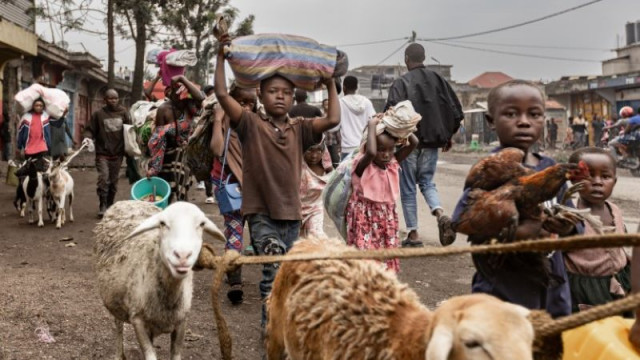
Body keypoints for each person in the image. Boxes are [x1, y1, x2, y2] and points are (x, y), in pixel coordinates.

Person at [214, 33, 340, 327]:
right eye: (273, 91)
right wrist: (221, 57)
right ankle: (270, 339)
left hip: (292, 216)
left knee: (286, 278)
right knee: (271, 273)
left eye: (286, 91)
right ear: (260, 95)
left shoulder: (301, 128)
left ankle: (281, 331)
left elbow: (333, 119)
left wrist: (331, 82)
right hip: (261, 214)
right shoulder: (249, 123)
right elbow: (222, 94)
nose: (280, 96)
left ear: (293, 95)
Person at [451, 80, 579, 318]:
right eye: (511, 114)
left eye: (534, 114)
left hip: (552, 290)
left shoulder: (552, 168)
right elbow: (460, 220)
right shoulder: (490, 171)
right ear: (491, 121)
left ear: (544, 119)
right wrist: (526, 230)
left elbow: (575, 227)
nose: (523, 121)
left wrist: (567, 226)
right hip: (501, 292)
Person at [385, 43, 463, 248]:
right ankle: (440, 213)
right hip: (433, 143)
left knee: (408, 186)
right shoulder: (439, 80)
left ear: (406, 59)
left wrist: (391, 143)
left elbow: (390, 114)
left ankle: (413, 234)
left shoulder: (401, 83)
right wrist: (447, 135)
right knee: (427, 182)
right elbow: (456, 110)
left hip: (408, 143)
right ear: (424, 57)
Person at [563, 147, 631, 314]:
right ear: (573, 180)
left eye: (605, 176)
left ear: (614, 181)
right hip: (586, 289)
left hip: (620, 281)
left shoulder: (614, 210)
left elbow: (620, 244)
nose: (598, 182)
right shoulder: (569, 216)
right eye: (589, 176)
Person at [346, 117, 418, 272]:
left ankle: (382, 281)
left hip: (386, 216)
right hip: (364, 216)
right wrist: (372, 124)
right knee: (365, 255)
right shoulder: (362, 164)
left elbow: (414, 142)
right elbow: (371, 153)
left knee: (385, 253)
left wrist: (397, 123)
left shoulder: (392, 163)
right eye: (381, 149)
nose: (386, 154)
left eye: (390, 149)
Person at [209, 83, 257, 304]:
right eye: (242, 102)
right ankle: (235, 278)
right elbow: (217, 149)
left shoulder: (258, 124)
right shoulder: (226, 121)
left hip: (257, 187)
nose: (247, 107)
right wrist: (218, 119)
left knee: (259, 234)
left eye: (251, 103)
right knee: (235, 232)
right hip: (231, 187)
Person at [146, 75, 204, 203]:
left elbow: (201, 97)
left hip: (184, 153)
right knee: (168, 187)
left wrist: (183, 78)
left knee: (182, 185)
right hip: (167, 153)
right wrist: (155, 166)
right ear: (171, 95)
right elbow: (159, 138)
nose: (180, 100)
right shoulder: (163, 109)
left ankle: (183, 211)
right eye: (177, 96)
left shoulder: (189, 107)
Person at [83, 89, 131, 218]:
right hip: (102, 153)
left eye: (115, 98)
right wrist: (87, 138)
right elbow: (89, 130)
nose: (113, 101)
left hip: (118, 153)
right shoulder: (98, 114)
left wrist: (132, 147)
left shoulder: (124, 113)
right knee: (104, 179)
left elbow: (130, 131)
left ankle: (110, 205)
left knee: (113, 182)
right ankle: (102, 205)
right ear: (105, 100)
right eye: (110, 98)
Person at [299, 140, 333, 238]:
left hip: (315, 208)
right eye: (310, 151)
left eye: (318, 151)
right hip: (296, 209)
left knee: (317, 235)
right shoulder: (298, 162)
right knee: (296, 241)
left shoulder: (325, 163)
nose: (314, 155)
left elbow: (333, 178)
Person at [339, 76, 376, 158]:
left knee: (346, 171)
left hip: (347, 148)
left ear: (343, 88)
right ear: (357, 87)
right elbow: (374, 121)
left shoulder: (340, 103)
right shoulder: (366, 102)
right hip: (364, 147)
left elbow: (334, 127)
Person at [16, 98, 51, 174]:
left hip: (41, 147)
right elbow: (21, 132)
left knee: (40, 170)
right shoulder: (26, 117)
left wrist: (49, 146)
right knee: (29, 171)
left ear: (43, 107)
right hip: (29, 148)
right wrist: (19, 146)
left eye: (41, 105)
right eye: (37, 105)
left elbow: (47, 133)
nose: (39, 107)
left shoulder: (45, 116)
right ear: (33, 106)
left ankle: (43, 185)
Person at [322, 98, 342, 168]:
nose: (327, 105)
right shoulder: (321, 116)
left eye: (328, 104)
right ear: (323, 106)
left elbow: (338, 131)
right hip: (324, 142)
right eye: (325, 104)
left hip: (334, 142)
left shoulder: (334, 116)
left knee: (335, 160)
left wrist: (340, 144)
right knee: (325, 161)